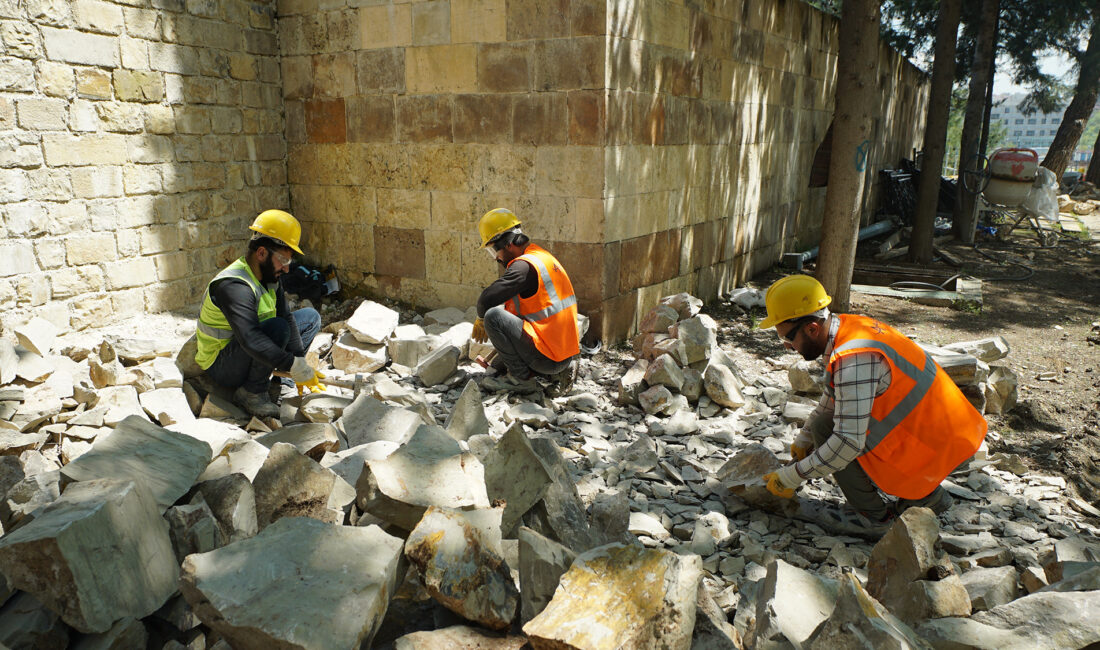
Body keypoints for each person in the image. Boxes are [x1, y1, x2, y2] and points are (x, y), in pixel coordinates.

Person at [756, 274, 987, 529]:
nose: (789, 347)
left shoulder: (854, 359)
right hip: (941, 432)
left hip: (936, 445)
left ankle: (877, 520)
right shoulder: (848, 328)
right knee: (822, 425)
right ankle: (927, 497)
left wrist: (791, 477)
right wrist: (805, 437)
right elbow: (836, 394)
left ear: (811, 328)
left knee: (834, 433)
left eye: (788, 340)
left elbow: (847, 443)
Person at [194, 210, 322, 418]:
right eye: (283, 260)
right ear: (262, 253)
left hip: (250, 350)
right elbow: (251, 339)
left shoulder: (270, 277)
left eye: (289, 262)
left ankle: (280, 380)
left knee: (310, 318)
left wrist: (299, 362)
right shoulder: (234, 286)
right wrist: (291, 363)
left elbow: (287, 317)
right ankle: (252, 393)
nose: (287, 269)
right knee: (276, 328)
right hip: (223, 364)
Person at [471, 208, 580, 393]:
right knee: (507, 315)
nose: (496, 258)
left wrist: (481, 318)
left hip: (549, 359)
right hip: (563, 353)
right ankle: (517, 370)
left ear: (508, 245)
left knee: (493, 316)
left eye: (493, 251)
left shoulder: (523, 267)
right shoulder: (541, 257)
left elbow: (486, 299)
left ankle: (521, 379)